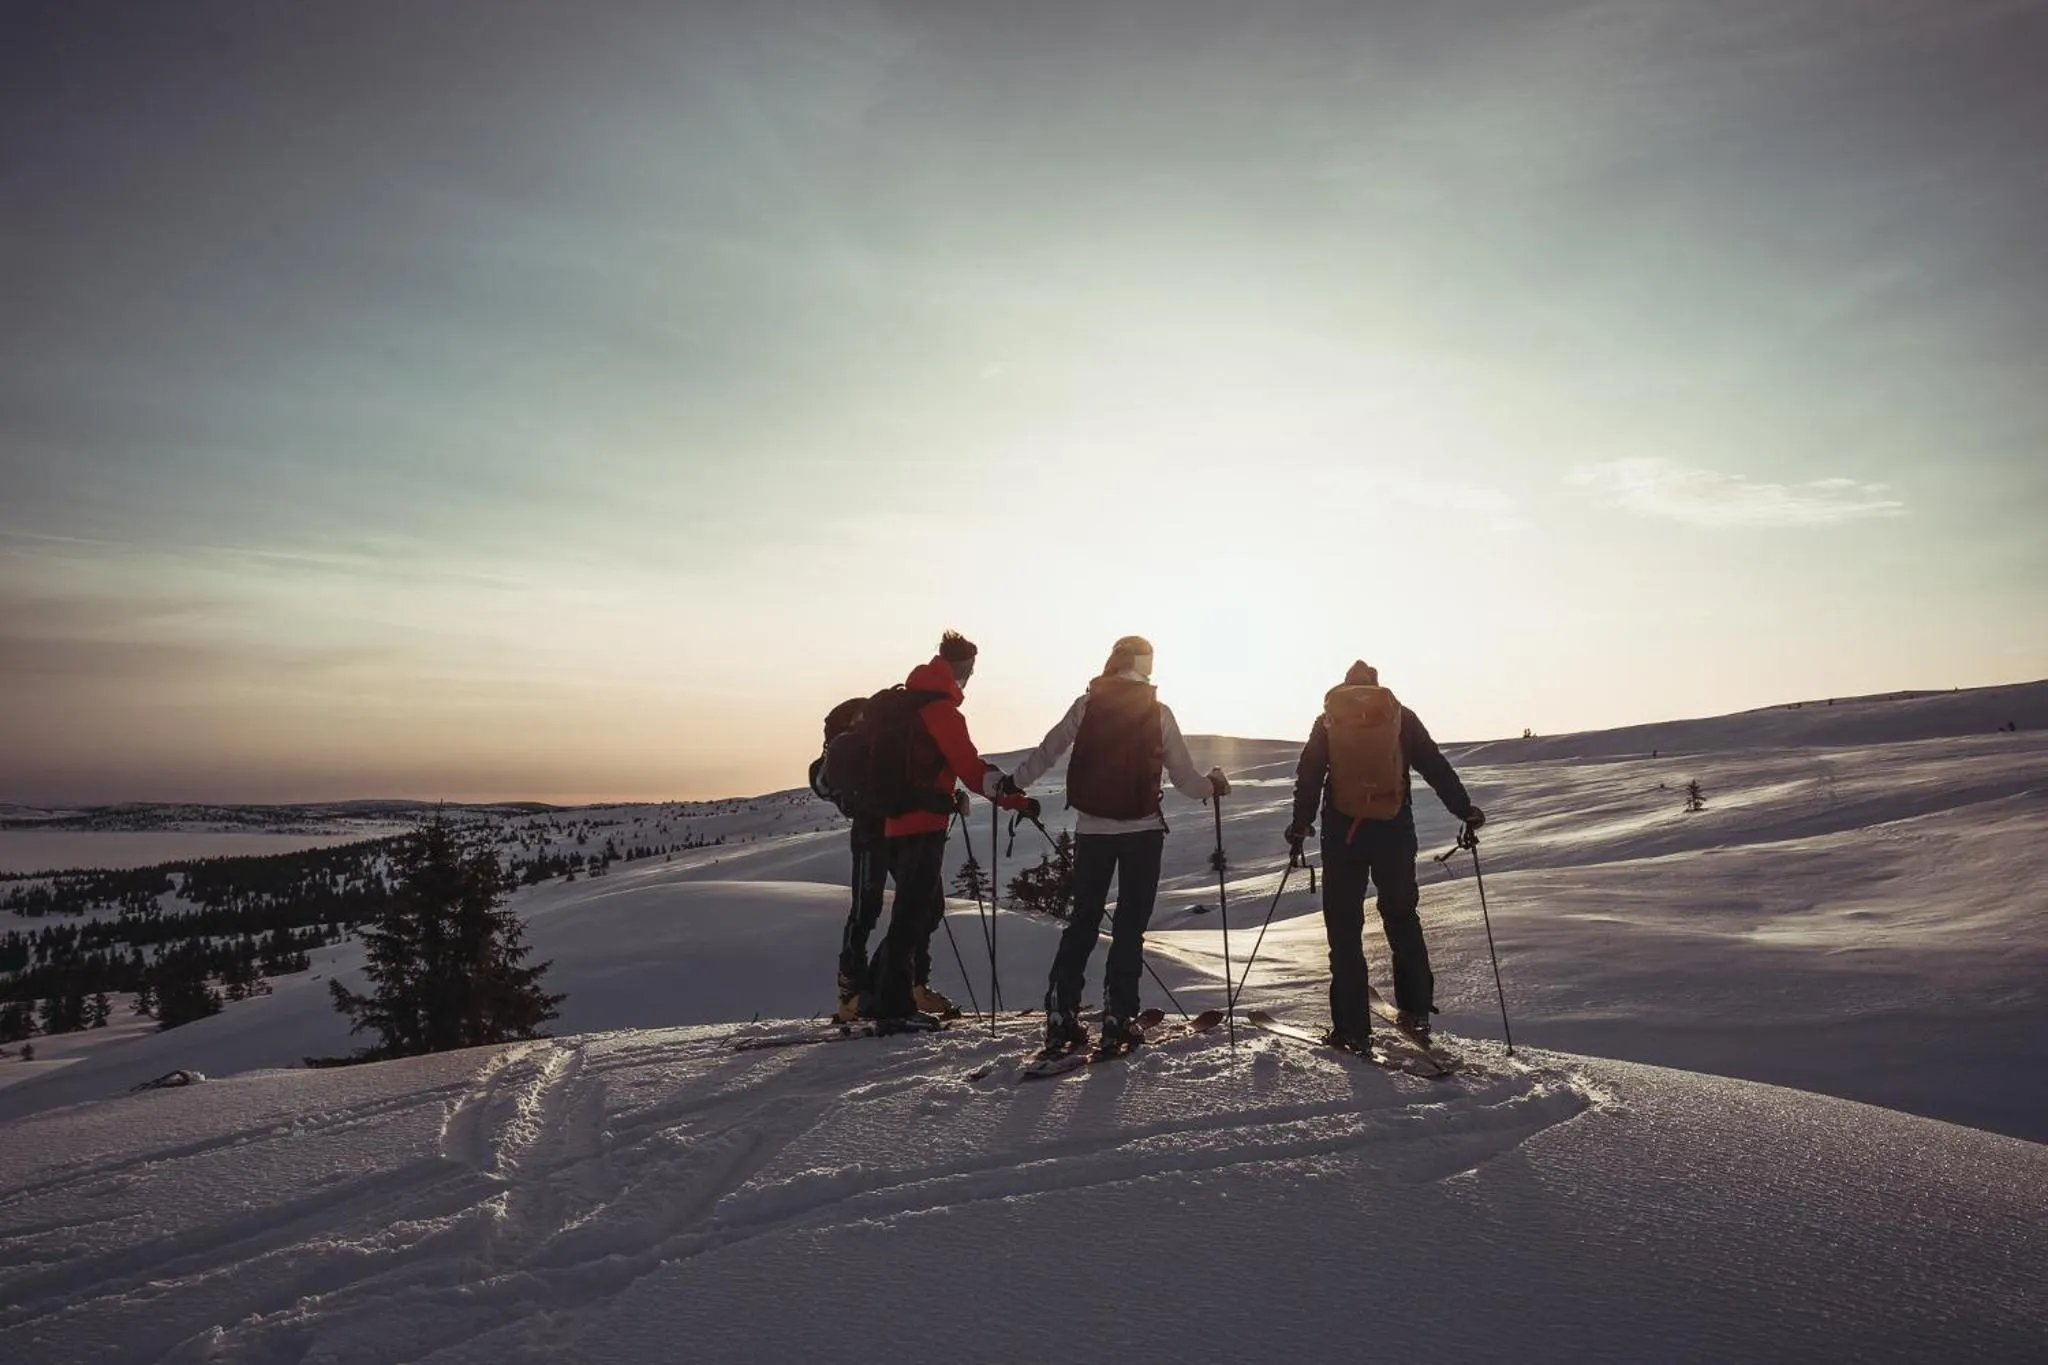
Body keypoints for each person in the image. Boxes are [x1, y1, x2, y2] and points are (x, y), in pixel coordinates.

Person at [1008, 635, 1229, 1056]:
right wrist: (1213, 786)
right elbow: (1184, 779)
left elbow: (1047, 750)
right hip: (1141, 832)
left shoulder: (1087, 704)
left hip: (1092, 831)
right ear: (1145, 663)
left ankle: (1061, 1013)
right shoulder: (1157, 711)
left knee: (1083, 920)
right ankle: (1118, 1017)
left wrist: (1012, 784)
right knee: (1130, 926)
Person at [1286, 660, 1485, 1050]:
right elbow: (1434, 765)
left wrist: (1300, 825)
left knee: (1344, 928)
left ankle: (1352, 1028)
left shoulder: (1328, 720)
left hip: (1343, 836)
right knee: (1401, 917)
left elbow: (1309, 774)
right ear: (1379, 686)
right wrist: (1464, 809)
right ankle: (1416, 1011)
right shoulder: (1400, 717)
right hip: (1395, 834)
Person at [869, 631, 1036, 1033]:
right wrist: (1015, 800)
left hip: (892, 821)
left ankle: (887, 994)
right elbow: (971, 768)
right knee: (913, 914)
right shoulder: (941, 712)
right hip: (922, 824)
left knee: (922, 910)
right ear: (962, 668)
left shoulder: (908, 704)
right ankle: (892, 1006)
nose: (970, 679)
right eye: (971, 671)